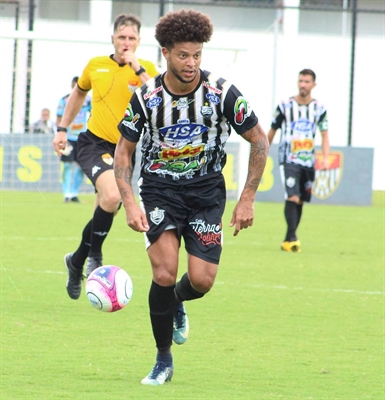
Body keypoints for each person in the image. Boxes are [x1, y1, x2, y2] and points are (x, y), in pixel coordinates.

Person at [114, 9, 269, 386]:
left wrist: (247, 197)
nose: (192, 63)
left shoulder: (221, 92)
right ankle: (162, 359)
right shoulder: (146, 98)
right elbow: (123, 154)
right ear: (165, 52)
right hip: (159, 189)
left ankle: (178, 301)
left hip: (205, 193)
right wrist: (131, 203)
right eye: (184, 55)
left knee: (201, 280)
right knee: (164, 271)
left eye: (197, 55)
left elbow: (259, 140)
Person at [52, 14, 158, 300]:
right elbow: (78, 94)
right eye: (122, 37)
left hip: (126, 150)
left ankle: (76, 262)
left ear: (139, 41)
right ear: (113, 38)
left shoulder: (146, 69)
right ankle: (94, 255)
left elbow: (158, 99)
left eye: (132, 38)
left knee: (106, 206)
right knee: (112, 197)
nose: (126, 43)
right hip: (93, 143)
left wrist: (138, 68)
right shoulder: (95, 65)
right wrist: (62, 129)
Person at [267, 68, 330, 253]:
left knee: (301, 200)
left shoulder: (319, 109)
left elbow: (325, 135)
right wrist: (262, 153)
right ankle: (293, 238)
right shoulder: (285, 106)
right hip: (288, 159)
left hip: (308, 161)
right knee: (292, 196)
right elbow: (272, 130)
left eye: (307, 81)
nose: (303, 84)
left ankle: (288, 238)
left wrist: (325, 158)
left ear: (313, 85)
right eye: (301, 81)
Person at [56, 76, 91, 203]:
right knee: (67, 166)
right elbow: (58, 118)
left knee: (81, 166)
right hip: (68, 137)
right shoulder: (64, 100)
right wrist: (59, 133)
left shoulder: (88, 100)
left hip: (82, 138)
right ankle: (66, 193)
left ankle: (74, 193)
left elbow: (95, 114)